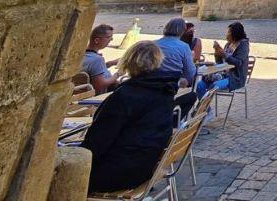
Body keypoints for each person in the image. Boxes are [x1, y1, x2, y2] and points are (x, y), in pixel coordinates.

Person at [81, 41, 176, 193]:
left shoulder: (125, 95)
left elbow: (97, 141)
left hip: (116, 171)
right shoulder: (165, 90)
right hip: (144, 166)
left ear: (128, 61)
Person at [196, 22, 251, 99]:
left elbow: (238, 62)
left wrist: (224, 54)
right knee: (200, 85)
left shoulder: (243, 46)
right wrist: (217, 53)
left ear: (235, 33)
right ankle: (205, 107)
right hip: (222, 74)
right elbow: (220, 63)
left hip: (235, 78)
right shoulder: (228, 45)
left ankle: (206, 104)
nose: (227, 34)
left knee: (214, 86)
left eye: (229, 32)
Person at [82, 24, 118, 94]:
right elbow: (100, 86)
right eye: (109, 37)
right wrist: (117, 74)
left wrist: (110, 63)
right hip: (104, 94)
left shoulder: (84, 55)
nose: (111, 39)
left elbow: (92, 69)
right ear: (97, 40)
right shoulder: (97, 59)